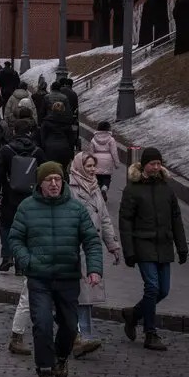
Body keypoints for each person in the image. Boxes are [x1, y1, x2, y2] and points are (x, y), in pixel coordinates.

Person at [9, 161, 104, 377]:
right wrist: (26, 260)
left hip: (67, 276)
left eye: (58, 180)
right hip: (39, 277)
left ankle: (61, 357)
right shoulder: (27, 207)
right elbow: (15, 239)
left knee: (70, 326)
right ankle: (45, 371)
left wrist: (94, 269)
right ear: (40, 183)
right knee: (42, 324)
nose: (54, 184)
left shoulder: (76, 209)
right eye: (49, 180)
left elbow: (91, 240)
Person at [119, 147, 188, 352]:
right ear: (144, 165)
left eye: (159, 163)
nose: (156, 167)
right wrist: (129, 251)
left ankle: (133, 314)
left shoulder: (166, 188)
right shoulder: (133, 189)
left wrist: (182, 246)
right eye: (152, 164)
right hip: (143, 244)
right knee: (152, 287)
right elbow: (125, 222)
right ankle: (151, 333)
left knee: (163, 290)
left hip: (164, 244)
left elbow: (176, 218)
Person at [68, 152, 122, 357]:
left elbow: (105, 218)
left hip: (92, 247)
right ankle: (79, 335)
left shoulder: (95, 187)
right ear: (79, 166)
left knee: (87, 292)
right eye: (88, 166)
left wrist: (112, 245)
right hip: (76, 247)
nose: (92, 170)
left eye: (93, 166)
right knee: (80, 292)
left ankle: (84, 334)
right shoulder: (70, 187)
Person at [0, 107, 45, 274]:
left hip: (10, 195)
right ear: (30, 132)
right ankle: (22, 263)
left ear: (14, 131)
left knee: (6, 224)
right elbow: (45, 173)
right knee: (28, 227)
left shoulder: (6, 150)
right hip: (32, 196)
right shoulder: (38, 151)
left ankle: (7, 255)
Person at [38, 101, 77, 167]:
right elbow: (71, 139)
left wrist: (43, 149)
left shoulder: (46, 121)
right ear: (64, 109)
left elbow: (42, 137)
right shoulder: (67, 121)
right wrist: (71, 154)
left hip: (50, 148)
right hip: (64, 148)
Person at [89, 121, 120, 195]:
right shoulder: (111, 139)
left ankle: (98, 189)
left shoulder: (93, 139)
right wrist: (117, 164)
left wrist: (89, 163)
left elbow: (90, 152)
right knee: (107, 177)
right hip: (107, 161)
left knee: (97, 177)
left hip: (96, 160)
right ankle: (104, 188)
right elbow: (114, 152)